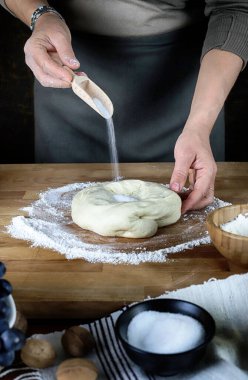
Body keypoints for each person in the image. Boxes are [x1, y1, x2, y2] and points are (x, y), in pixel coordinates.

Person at [1, 1, 247, 213]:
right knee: (60, 210)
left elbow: (235, 7)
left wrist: (199, 125)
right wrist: (40, 15)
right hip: (67, 74)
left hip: (189, 93)